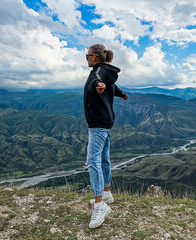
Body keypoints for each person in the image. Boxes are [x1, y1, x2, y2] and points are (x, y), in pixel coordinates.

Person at [84, 43, 128, 229]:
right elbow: (112, 86)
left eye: (87, 55)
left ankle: (99, 203)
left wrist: (98, 86)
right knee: (104, 159)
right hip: (107, 123)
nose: (86, 58)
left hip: (98, 125)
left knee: (92, 161)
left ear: (95, 57)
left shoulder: (98, 71)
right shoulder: (107, 73)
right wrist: (123, 94)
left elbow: (97, 81)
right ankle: (107, 192)